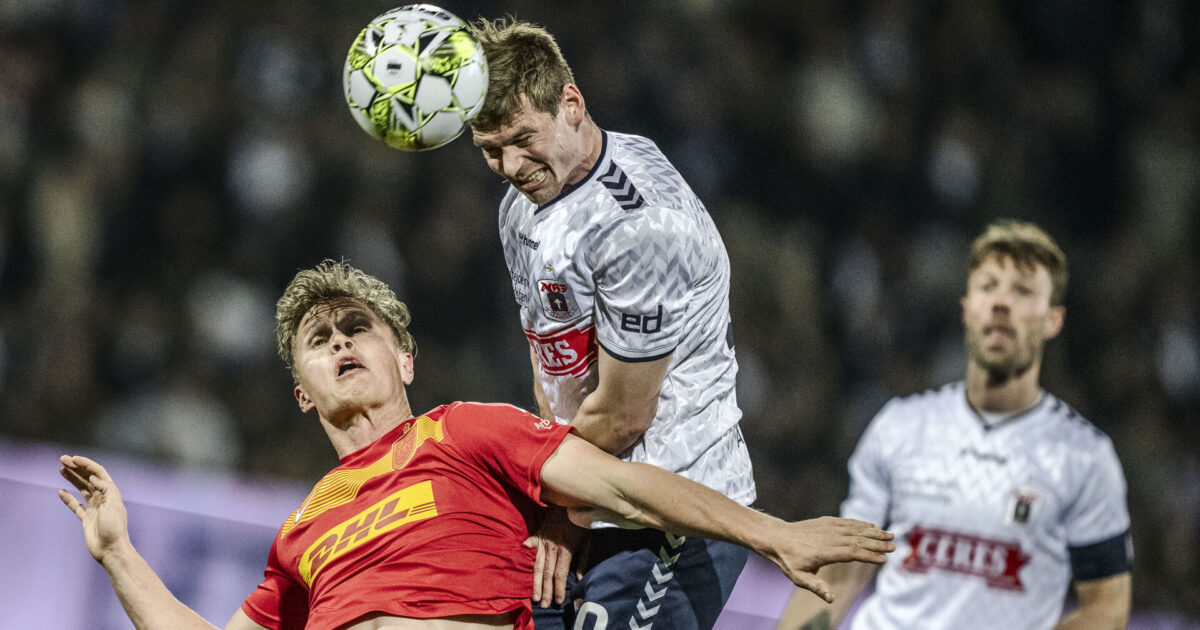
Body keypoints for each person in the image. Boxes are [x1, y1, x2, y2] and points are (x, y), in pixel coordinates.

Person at [59, 260, 896, 630]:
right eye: (321, 338)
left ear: (405, 358)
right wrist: (117, 553)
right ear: (302, 390)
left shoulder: (465, 431)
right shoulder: (301, 532)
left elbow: (629, 489)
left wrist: (772, 533)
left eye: (360, 328)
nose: (342, 341)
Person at [468, 18, 757, 630]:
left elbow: (626, 414)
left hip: (669, 509)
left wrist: (562, 509)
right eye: (490, 149)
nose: (511, 165)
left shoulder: (639, 227)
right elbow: (550, 356)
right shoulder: (520, 207)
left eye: (523, 138)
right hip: (586, 494)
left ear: (571, 104)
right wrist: (560, 494)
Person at [775, 221, 1133, 630]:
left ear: (1052, 320)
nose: (1001, 303)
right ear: (966, 308)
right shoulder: (902, 425)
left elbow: (1106, 608)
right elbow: (842, 569)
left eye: (1022, 291)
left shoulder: (1084, 455)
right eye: (988, 286)